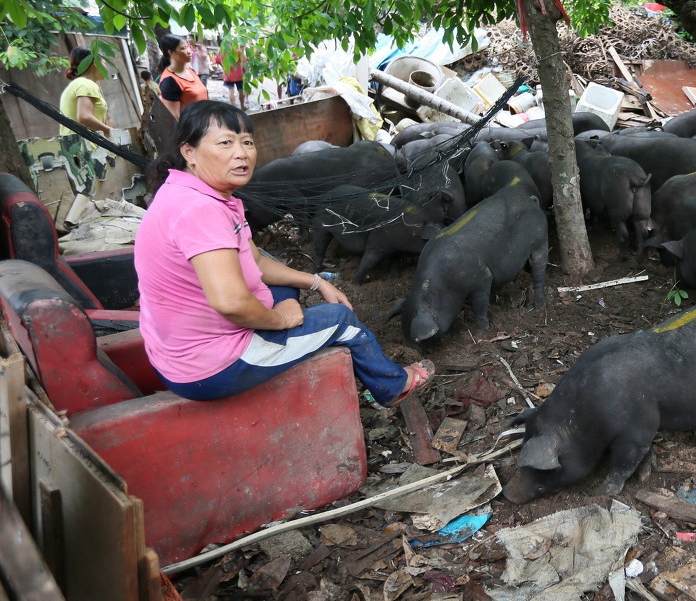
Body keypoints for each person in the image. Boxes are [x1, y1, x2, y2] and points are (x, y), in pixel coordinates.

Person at [135, 100, 434, 405]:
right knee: (342, 320)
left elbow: (255, 261)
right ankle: (394, 385)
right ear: (189, 152)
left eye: (247, 142)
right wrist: (280, 319)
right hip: (212, 367)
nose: (241, 153)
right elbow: (230, 303)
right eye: (226, 143)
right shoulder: (201, 210)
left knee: (287, 286)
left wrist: (316, 282)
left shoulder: (194, 193)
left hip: (180, 350)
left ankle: (293, 328)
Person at [59, 46, 111, 136]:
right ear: (95, 64)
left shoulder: (74, 85)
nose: (106, 68)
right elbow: (84, 117)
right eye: (104, 63)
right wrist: (110, 131)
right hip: (86, 143)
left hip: (73, 143)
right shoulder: (87, 84)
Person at [156, 34, 209, 119]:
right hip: (191, 126)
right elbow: (174, 117)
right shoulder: (169, 81)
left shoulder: (191, 71)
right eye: (183, 48)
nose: (189, 51)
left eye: (188, 47)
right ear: (171, 52)